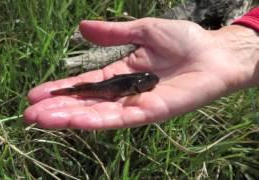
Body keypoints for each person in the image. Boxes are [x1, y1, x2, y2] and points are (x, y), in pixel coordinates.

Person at [24, 7, 259, 130]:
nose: (149, 83)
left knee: (90, 88)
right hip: (104, 87)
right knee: (88, 89)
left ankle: (70, 91)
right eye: (147, 82)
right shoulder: (136, 85)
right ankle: (68, 91)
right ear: (139, 85)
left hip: (111, 85)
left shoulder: (138, 83)